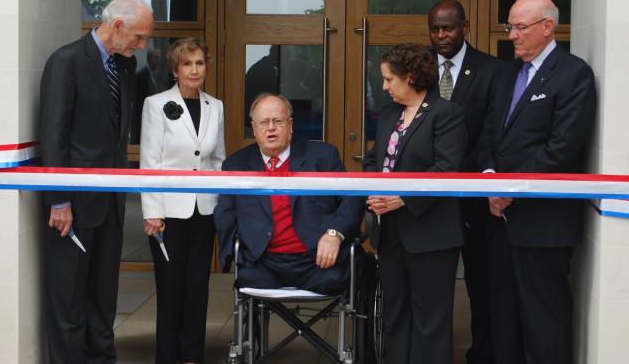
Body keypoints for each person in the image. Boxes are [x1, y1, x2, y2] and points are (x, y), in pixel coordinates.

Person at [479, 0, 596, 364]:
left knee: (543, 324)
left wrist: (509, 188)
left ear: (548, 28)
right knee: (503, 321)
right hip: (499, 221)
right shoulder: (505, 74)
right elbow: (487, 136)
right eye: (509, 26)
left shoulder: (573, 73)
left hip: (543, 225)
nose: (511, 35)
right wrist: (489, 180)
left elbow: (561, 149)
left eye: (519, 27)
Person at [39, 0, 153, 363]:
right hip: (71, 208)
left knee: (103, 297)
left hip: (111, 204)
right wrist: (59, 201)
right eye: (138, 37)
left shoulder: (125, 66)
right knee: (68, 298)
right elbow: (53, 137)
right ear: (117, 27)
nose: (142, 45)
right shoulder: (66, 62)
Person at [364, 43, 467, 364]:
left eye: (388, 79)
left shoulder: (447, 114)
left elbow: (446, 169)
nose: (383, 86)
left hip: (432, 235)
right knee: (395, 315)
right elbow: (372, 159)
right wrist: (373, 189)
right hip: (391, 233)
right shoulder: (389, 114)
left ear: (410, 77)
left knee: (430, 322)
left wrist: (402, 199)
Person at [215, 93, 364, 295]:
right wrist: (236, 255)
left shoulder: (322, 156)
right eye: (263, 122)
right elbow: (225, 214)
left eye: (278, 121)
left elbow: (352, 198)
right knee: (247, 284)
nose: (271, 128)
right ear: (254, 127)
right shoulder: (236, 165)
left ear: (291, 125)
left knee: (340, 279)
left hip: (317, 261)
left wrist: (334, 235)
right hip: (263, 263)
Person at [140, 38, 225, 364]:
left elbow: (218, 159)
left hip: (204, 211)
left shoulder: (214, 106)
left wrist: (219, 206)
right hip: (167, 214)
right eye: (187, 64)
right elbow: (149, 162)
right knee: (171, 289)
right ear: (176, 69)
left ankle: (192, 356)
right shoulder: (155, 104)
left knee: (197, 288)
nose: (194, 70)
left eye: (200, 63)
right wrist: (152, 212)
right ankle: (167, 356)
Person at [428, 0, 504, 364]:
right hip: (427, 200)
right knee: (430, 285)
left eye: (449, 27)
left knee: (481, 284)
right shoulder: (419, 66)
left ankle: (483, 355)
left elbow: (493, 132)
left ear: (466, 28)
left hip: (474, 197)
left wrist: (472, 174)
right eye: (435, 29)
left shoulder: (491, 70)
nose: (441, 35)